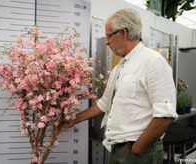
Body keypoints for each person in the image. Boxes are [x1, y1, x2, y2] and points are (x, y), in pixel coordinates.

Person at [61, 8, 178, 164]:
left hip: (138, 151)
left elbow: (165, 115)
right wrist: (72, 120)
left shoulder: (153, 62)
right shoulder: (120, 68)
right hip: (117, 148)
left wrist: (137, 149)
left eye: (109, 35)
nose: (107, 41)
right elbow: (104, 103)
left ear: (123, 33)